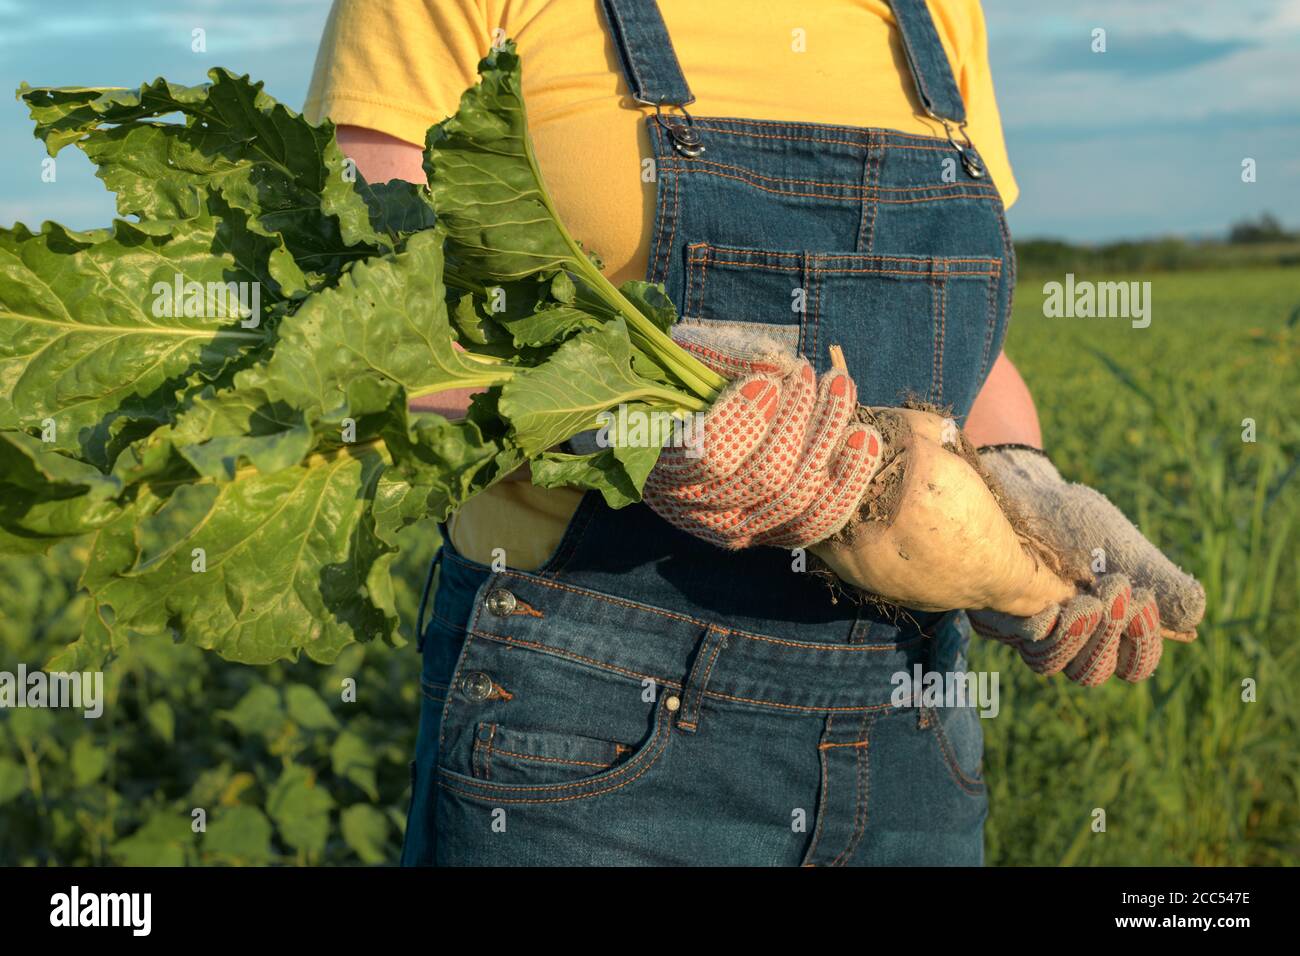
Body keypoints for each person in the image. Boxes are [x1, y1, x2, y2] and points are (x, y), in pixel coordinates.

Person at [306, 0, 1202, 866]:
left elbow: (975, 357)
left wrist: (1030, 497)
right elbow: (369, 320)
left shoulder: (939, 9)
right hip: (586, 720)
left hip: (912, 718)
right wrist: (631, 423)